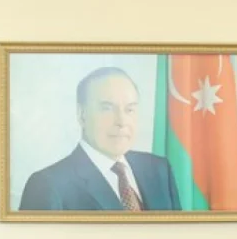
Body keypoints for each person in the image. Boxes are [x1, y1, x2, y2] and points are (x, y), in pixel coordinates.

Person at [18, 68, 181, 212]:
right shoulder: (48, 186)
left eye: (129, 109)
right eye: (107, 108)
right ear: (82, 115)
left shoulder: (159, 170)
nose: (122, 121)